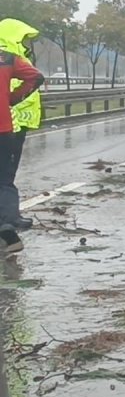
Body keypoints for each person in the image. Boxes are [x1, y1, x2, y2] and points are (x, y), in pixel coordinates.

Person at [0, 45, 43, 254]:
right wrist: (12, 98)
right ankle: (7, 229)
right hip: (3, 128)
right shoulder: (7, 57)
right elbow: (36, 77)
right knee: (4, 181)